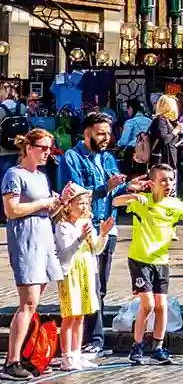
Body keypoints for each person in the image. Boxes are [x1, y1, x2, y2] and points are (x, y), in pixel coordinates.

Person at [112, 163, 183, 365]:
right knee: (147, 305)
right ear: (152, 182)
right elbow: (115, 202)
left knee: (161, 306)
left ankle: (158, 347)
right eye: (162, 180)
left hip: (161, 261)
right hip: (140, 259)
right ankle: (137, 347)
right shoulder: (143, 201)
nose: (168, 184)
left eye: (171, 180)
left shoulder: (175, 204)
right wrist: (131, 195)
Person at [56, 111, 124, 354]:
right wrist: (106, 187)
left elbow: (118, 189)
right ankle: (89, 340)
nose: (106, 138)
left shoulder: (107, 157)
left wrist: (131, 186)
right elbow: (73, 194)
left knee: (100, 285)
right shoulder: (72, 157)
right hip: (82, 227)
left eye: (108, 133)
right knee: (87, 285)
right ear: (87, 133)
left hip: (107, 225)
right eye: (101, 133)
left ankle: (95, 339)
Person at [3, 129, 64, 379]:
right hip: (25, 239)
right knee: (27, 302)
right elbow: (11, 209)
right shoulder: (13, 174)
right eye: (43, 148)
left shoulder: (41, 176)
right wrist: (43, 203)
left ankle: (24, 354)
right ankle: (11, 360)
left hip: (43, 237)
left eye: (50, 149)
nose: (47, 153)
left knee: (35, 302)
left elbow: (46, 211)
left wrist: (58, 203)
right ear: (28, 147)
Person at [51, 186, 112, 371]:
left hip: (87, 269)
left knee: (81, 316)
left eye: (86, 203)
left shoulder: (85, 223)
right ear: (68, 206)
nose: (84, 206)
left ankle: (76, 353)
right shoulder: (62, 226)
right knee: (70, 316)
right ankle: (66, 356)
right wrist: (80, 238)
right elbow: (65, 253)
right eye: (80, 203)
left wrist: (102, 233)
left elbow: (96, 249)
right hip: (71, 272)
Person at [140, 94, 183, 177]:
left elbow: (177, 141)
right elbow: (165, 139)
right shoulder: (160, 120)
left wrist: (181, 133)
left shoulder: (171, 121)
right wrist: (176, 131)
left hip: (171, 159)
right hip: (162, 160)